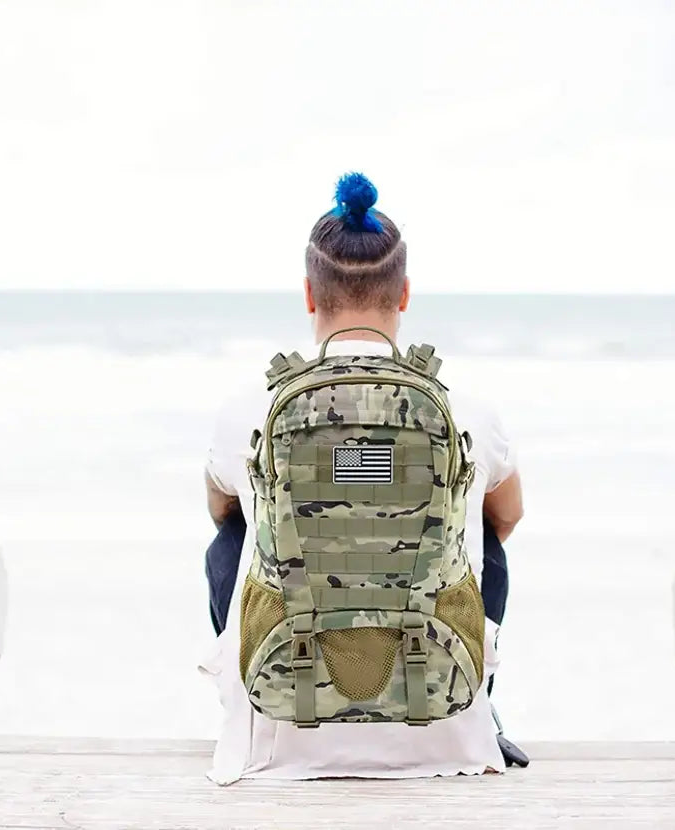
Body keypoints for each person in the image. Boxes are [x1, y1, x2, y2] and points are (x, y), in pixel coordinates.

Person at [200, 173, 524, 783]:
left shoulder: (250, 405)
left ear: (307, 293)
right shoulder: (467, 406)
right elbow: (508, 515)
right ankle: (476, 707)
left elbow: (221, 512)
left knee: (228, 542)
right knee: (484, 534)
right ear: (402, 295)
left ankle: (256, 714)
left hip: (283, 715)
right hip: (439, 711)